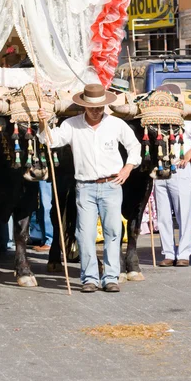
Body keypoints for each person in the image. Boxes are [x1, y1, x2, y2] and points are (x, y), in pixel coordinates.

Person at [37, 83, 141, 293]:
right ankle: (89, 278)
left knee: (113, 232)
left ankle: (111, 277)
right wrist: (42, 122)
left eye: (100, 107)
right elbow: (51, 141)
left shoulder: (116, 124)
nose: (96, 111)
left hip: (112, 184)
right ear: (84, 106)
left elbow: (134, 146)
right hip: (84, 186)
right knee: (84, 234)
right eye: (92, 107)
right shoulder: (71, 124)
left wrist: (127, 169)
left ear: (105, 105)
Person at [153, 89, 191, 267]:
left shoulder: (186, 119)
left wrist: (189, 153)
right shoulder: (152, 118)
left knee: (184, 213)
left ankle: (184, 254)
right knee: (163, 215)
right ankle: (168, 253)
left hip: (179, 169)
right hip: (158, 171)